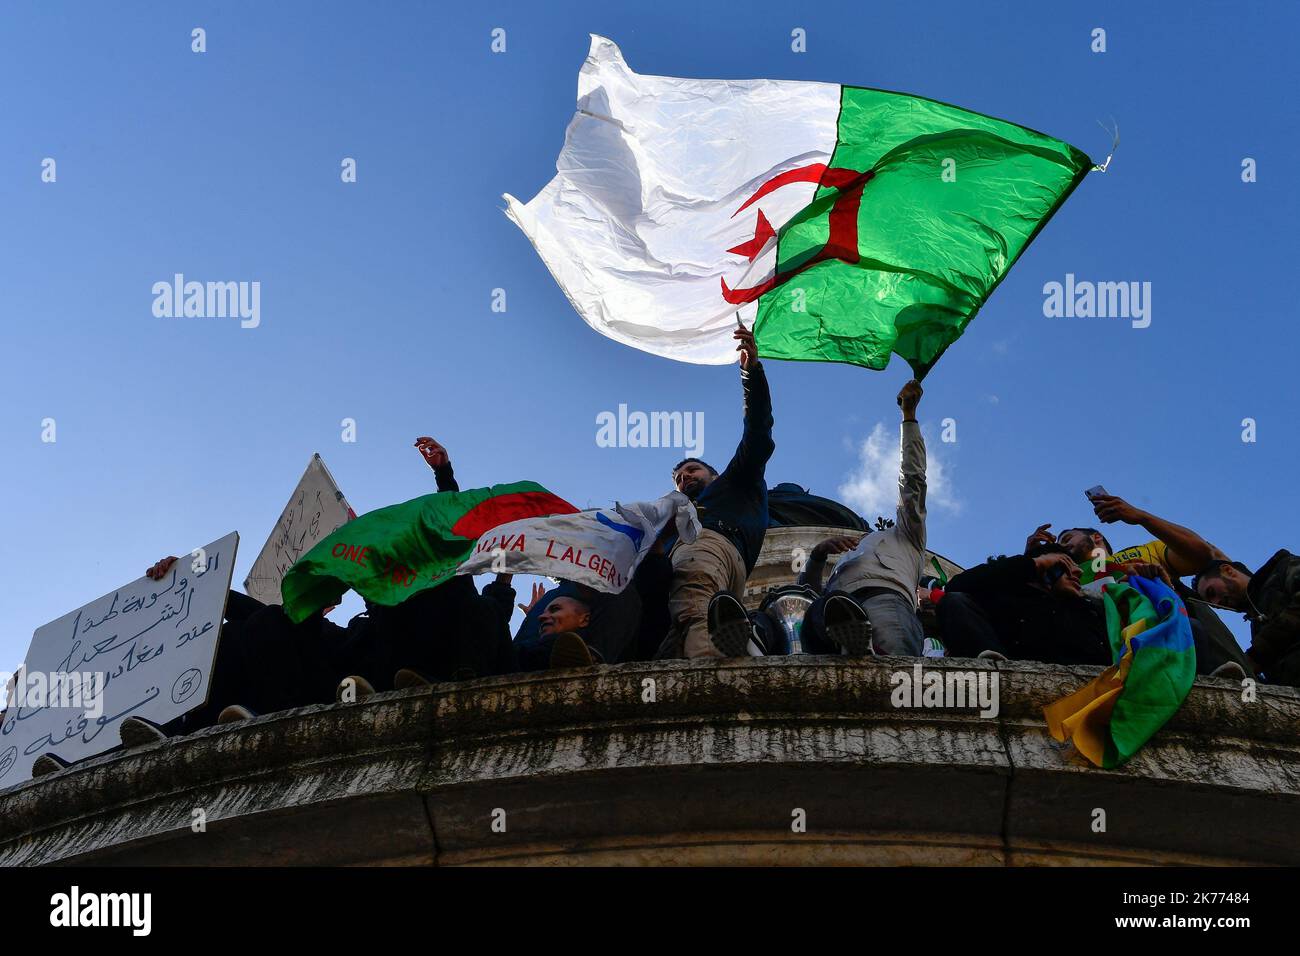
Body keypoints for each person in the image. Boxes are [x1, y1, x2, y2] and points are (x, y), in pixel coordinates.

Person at [657, 322, 775, 659]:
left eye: (691, 470)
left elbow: (758, 432)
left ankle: (710, 683)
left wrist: (751, 374)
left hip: (708, 548)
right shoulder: (676, 517)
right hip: (734, 571)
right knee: (706, 622)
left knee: (694, 607)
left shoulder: (735, 482)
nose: (684, 478)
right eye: (678, 477)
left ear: (716, 473)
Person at [1037, 495, 1251, 676]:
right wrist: (1032, 556)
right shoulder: (1067, 573)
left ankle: (1225, 673)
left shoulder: (1143, 552)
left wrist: (1140, 517)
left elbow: (1201, 555)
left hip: (1163, 627)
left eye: (1067, 538)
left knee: (1190, 604)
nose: (1061, 544)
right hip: (1104, 641)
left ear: (1096, 537)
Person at [798, 380, 927, 656]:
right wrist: (818, 555)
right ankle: (856, 643)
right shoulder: (843, 561)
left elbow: (913, 482)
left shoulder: (906, 536)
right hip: (833, 611)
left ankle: (869, 647)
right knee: (816, 614)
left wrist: (909, 418)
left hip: (885, 600)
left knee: (898, 672)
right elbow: (804, 594)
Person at [937, 545, 1110, 666]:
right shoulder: (1004, 598)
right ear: (1049, 567)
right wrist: (1034, 563)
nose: (1078, 571)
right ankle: (992, 667)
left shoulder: (1085, 609)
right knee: (954, 600)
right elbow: (955, 588)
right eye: (1068, 564)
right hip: (1005, 672)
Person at [1194, 550, 1300, 685]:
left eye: (1211, 592)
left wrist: (1255, 656)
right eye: (1211, 604)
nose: (1216, 603)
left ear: (1228, 571)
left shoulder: (1284, 567)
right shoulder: (1256, 622)